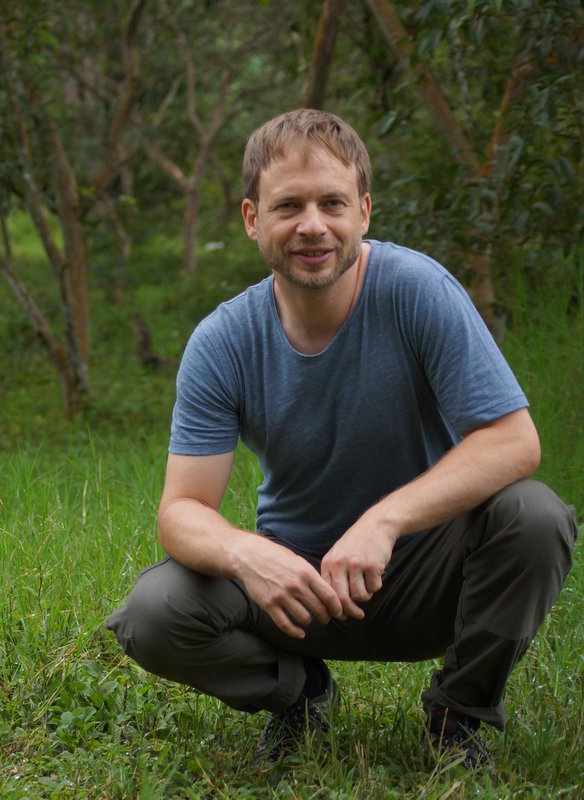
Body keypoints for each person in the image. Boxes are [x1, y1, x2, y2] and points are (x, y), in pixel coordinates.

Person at [107, 109, 578, 773]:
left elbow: (513, 441)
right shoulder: (222, 341)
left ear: (363, 211)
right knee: (154, 612)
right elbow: (181, 510)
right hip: (295, 593)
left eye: (332, 203)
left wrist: (384, 521)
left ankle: (457, 718)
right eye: (288, 206)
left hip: (429, 579)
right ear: (252, 219)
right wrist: (247, 554)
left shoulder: (417, 291)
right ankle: (300, 694)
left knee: (535, 517)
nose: (313, 226)